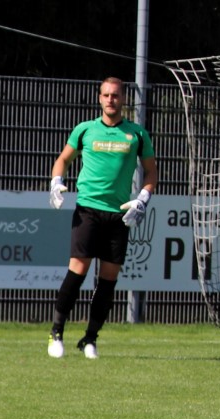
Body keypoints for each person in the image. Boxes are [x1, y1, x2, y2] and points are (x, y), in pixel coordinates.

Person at [47, 76, 158, 359]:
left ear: (123, 99)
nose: (111, 99)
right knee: (77, 271)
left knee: (108, 280)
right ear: (100, 98)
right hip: (88, 210)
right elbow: (63, 159)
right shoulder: (85, 129)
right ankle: (56, 333)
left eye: (116, 95)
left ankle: (90, 339)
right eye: (106, 95)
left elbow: (151, 172)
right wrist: (56, 181)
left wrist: (142, 200)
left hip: (119, 214)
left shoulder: (137, 134)